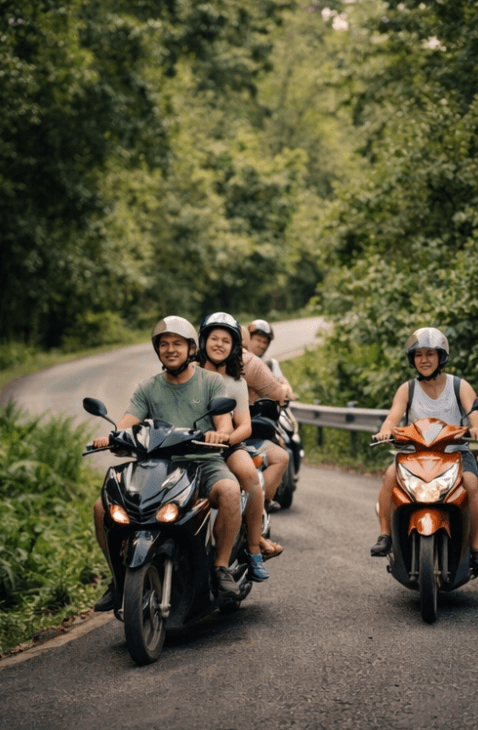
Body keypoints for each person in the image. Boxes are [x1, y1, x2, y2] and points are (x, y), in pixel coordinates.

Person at [92, 316, 242, 611]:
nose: (170, 349)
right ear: (157, 350)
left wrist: (219, 434)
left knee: (230, 491)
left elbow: (225, 425)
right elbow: (126, 423)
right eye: (164, 344)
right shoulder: (148, 387)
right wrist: (111, 437)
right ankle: (118, 578)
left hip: (203, 462)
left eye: (177, 344)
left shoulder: (210, 382)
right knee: (103, 507)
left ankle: (221, 568)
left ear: (191, 349)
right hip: (157, 466)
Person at [371, 327, 478, 569]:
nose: (424, 360)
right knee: (389, 475)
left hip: (455, 454)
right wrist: (386, 429)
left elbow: (474, 414)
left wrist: (475, 428)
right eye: (418, 355)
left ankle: (475, 547)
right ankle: (385, 536)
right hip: (415, 455)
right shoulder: (407, 389)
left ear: (442, 356)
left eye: (430, 354)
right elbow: (392, 417)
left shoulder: (460, 386)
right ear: (412, 359)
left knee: (471, 482)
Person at [198, 312, 282, 577]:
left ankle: (255, 548)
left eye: (226, 340)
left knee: (249, 477)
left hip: (228, 446)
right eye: (214, 338)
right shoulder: (190, 375)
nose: (219, 344)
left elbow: (244, 425)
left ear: (235, 347)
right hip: (189, 445)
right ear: (202, 342)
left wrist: (227, 439)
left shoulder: (236, 383)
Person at [241, 331, 290, 512]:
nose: (260, 345)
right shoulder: (250, 363)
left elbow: (280, 387)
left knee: (281, 452)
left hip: (252, 423)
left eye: (264, 342)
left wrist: (285, 390)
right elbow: (279, 393)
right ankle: (259, 510)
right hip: (230, 436)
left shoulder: (263, 363)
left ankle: (259, 513)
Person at [247, 319, 296, 400]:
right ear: (249, 339)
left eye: (265, 342)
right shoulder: (238, 359)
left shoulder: (270, 363)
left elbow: (281, 380)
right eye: (258, 340)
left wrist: (287, 390)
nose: (262, 345)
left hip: (264, 408)